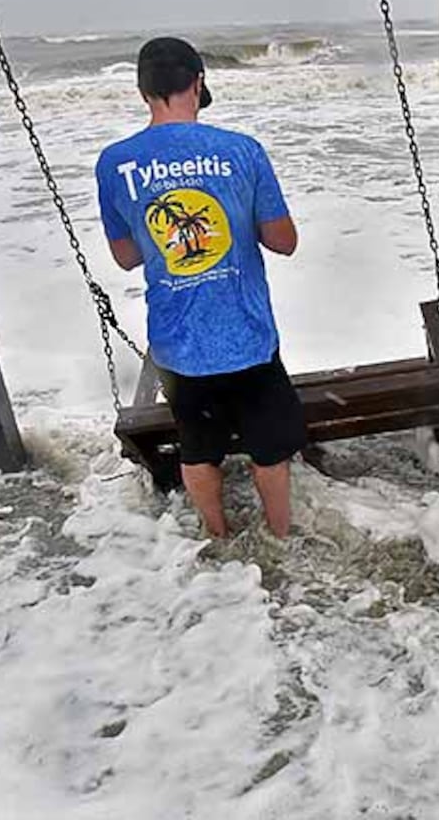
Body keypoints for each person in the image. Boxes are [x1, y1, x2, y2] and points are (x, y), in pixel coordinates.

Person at [96, 37, 306, 539]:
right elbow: (284, 242)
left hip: (178, 344)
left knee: (198, 446)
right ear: (198, 83)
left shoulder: (114, 162)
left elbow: (125, 257)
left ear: (143, 90)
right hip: (248, 335)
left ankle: (217, 533)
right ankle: (279, 536)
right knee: (270, 450)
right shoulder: (241, 151)